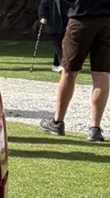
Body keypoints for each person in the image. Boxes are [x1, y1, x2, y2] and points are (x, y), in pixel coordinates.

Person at [39, 0, 109, 141]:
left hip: (81, 17)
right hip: (107, 20)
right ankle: (94, 128)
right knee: (101, 74)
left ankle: (57, 122)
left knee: (69, 72)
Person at [39, 0, 72, 72]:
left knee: (64, 45)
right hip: (55, 25)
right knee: (58, 45)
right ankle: (62, 65)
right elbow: (43, 7)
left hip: (67, 24)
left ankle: (56, 65)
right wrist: (43, 17)